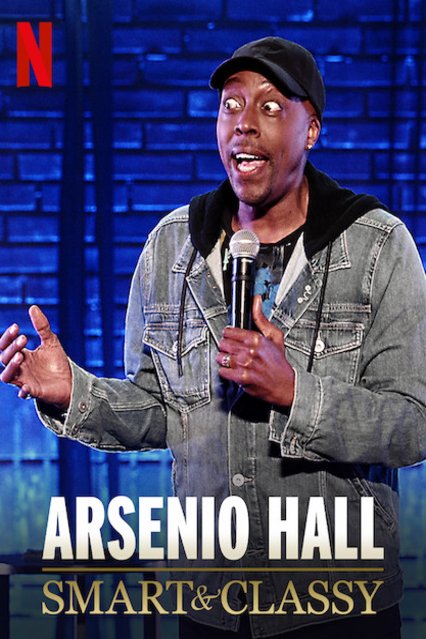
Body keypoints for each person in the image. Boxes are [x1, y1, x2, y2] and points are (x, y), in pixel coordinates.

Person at [1, 37, 426, 639]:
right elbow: (161, 413)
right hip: (209, 605)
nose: (244, 123)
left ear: (312, 130)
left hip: (337, 604)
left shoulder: (378, 246)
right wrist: (74, 392)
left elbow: (414, 423)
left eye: (271, 106)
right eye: (231, 105)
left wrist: (294, 392)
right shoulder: (170, 248)